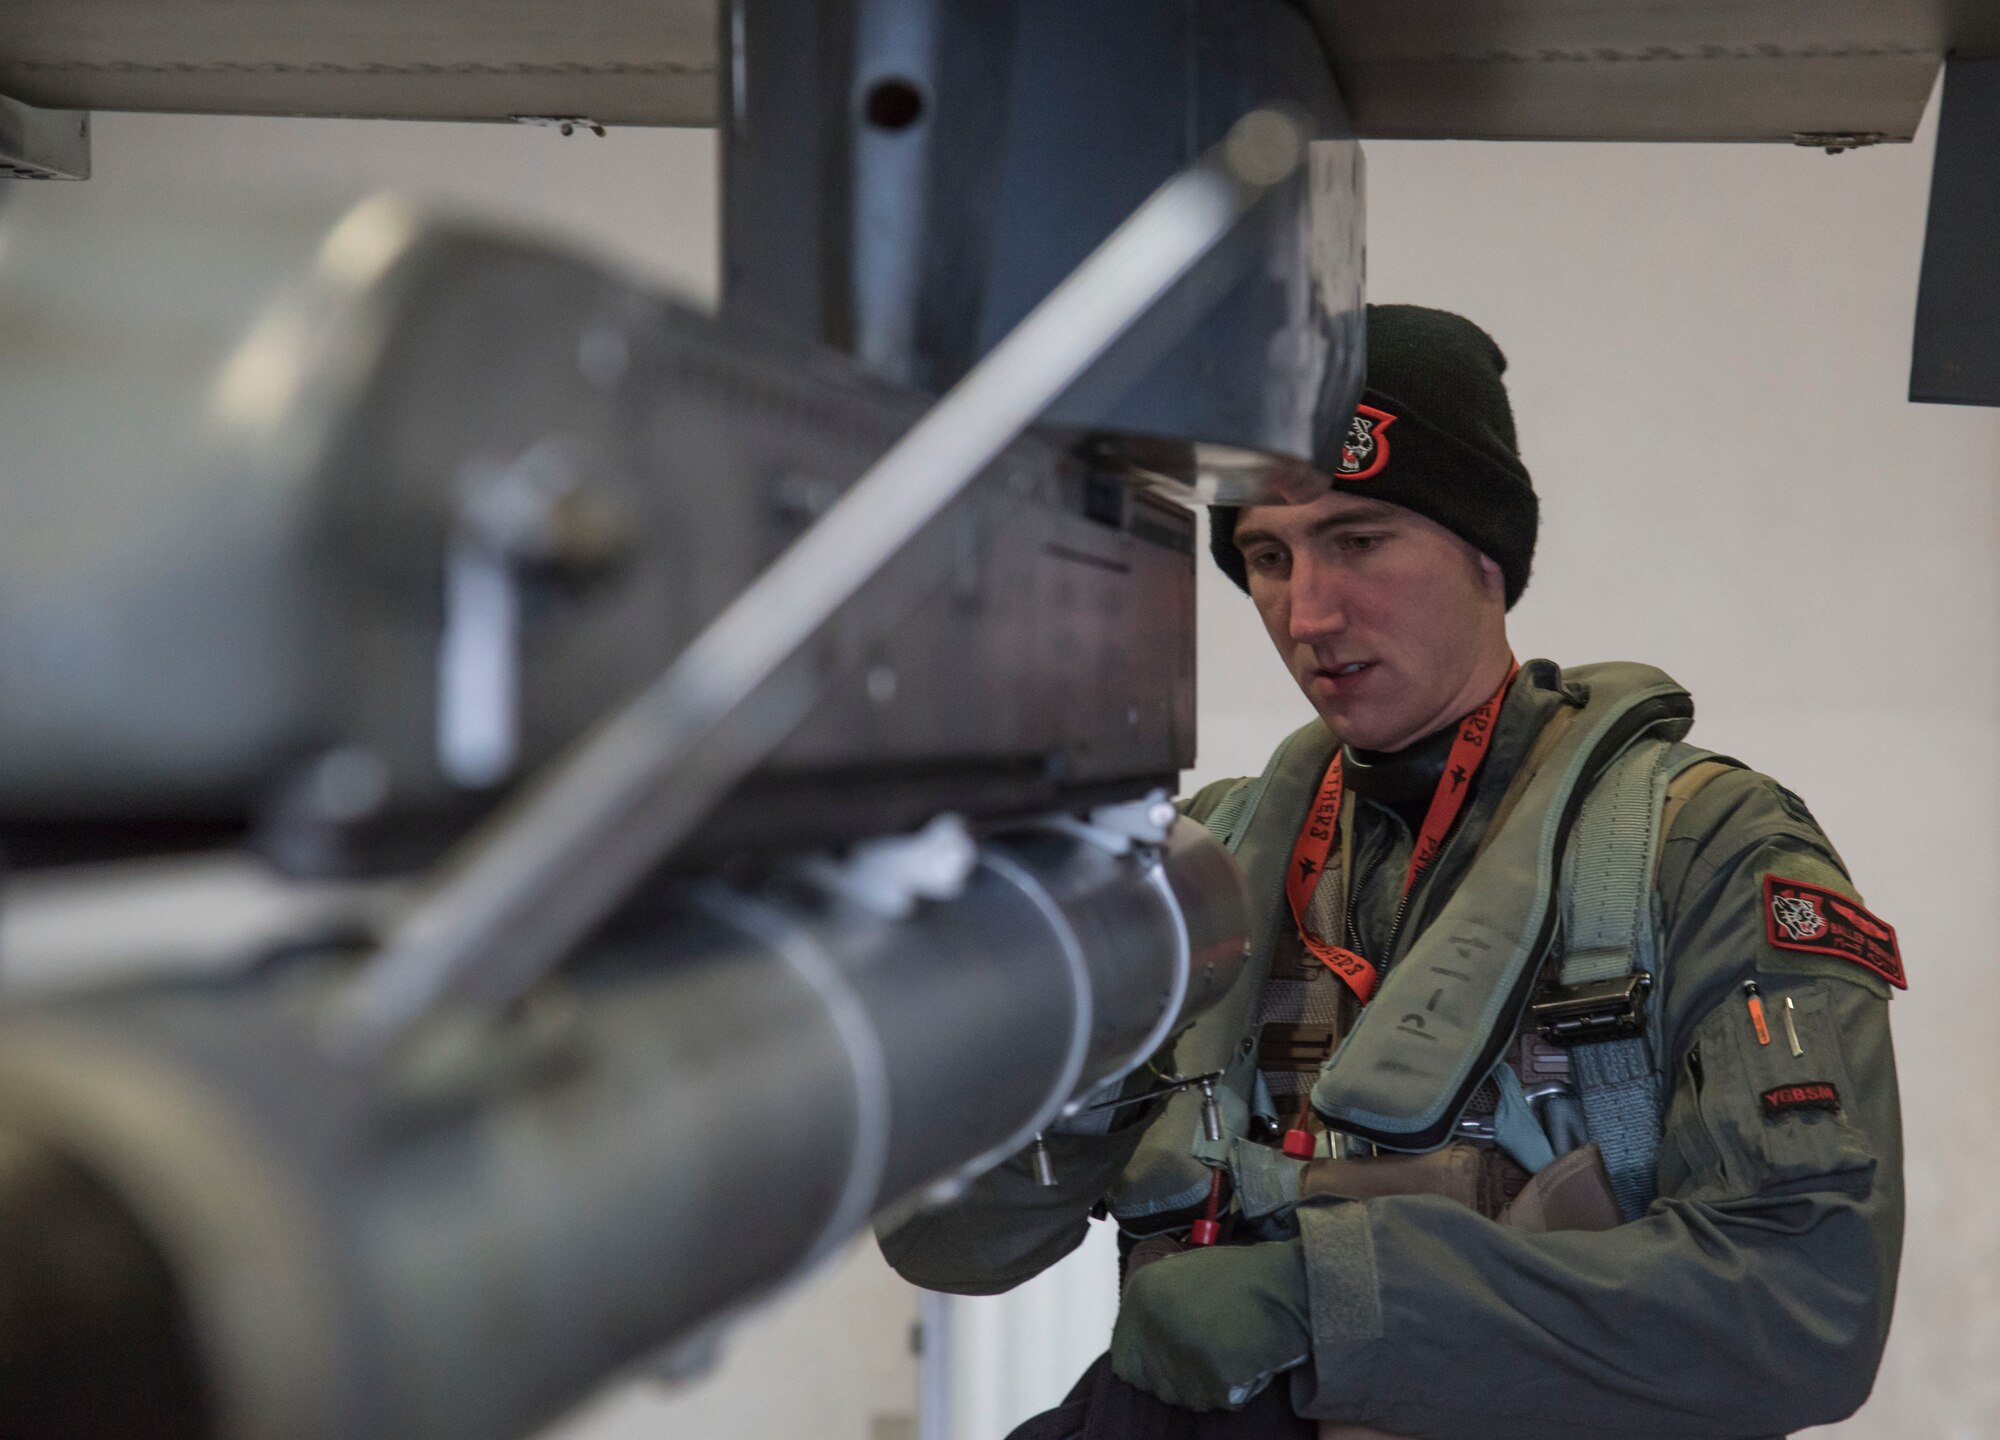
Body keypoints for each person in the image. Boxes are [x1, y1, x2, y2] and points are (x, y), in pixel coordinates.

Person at [877, 304, 1904, 1439]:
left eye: (1359, 540)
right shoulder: (1202, 867)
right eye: (1266, 556)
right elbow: (951, 1244)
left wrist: (1327, 1302)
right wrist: (1069, 1048)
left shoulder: (1701, 852)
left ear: (1484, 555)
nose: (1306, 612)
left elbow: (1805, 1309)